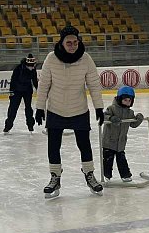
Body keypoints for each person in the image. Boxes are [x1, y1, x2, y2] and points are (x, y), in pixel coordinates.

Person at [35, 25, 105, 198]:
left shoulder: (86, 59)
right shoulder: (51, 58)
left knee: (84, 144)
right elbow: (43, 85)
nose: (73, 45)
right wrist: (39, 107)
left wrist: (99, 107)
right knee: (53, 145)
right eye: (69, 43)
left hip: (79, 109)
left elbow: (94, 84)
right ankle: (55, 177)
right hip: (56, 109)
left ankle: (89, 174)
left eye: (75, 42)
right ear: (62, 43)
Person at [101, 85, 145, 182]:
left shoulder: (130, 112)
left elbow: (133, 124)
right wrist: (111, 118)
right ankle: (106, 175)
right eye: (125, 100)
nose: (127, 102)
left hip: (121, 142)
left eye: (129, 100)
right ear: (119, 99)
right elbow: (104, 116)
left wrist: (139, 118)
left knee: (121, 159)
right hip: (109, 140)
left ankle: (125, 175)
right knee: (108, 159)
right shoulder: (111, 108)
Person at [3, 55, 38, 134]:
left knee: (28, 108)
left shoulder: (33, 69)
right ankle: (7, 126)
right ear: (26, 64)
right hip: (16, 91)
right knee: (13, 108)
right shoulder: (18, 68)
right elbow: (13, 80)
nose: (31, 67)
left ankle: (30, 125)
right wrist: (11, 91)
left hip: (27, 91)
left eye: (33, 65)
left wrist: (39, 89)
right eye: (30, 66)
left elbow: (34, 80)